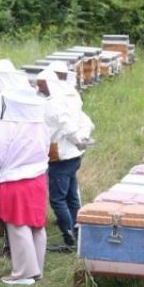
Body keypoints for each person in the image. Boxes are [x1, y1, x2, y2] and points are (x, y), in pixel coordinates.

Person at [0, 89, 51, 285]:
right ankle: (36, 269)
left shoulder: (7, 127)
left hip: (14, 181)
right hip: (38, 180)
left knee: (18, 224)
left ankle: (24, 273)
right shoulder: (40, 125)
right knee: (36, 224)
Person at [36, 68, 95, 252]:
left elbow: (67, 127)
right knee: (70, 196)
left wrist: (78, 140)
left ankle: (69, 239)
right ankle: (77, 232)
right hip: (72, 157)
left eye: (42, 85)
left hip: (61, 158)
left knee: (58, 199)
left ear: (50, 84)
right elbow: (86, 122)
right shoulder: (65, 99)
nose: (39, 88)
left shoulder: (54, 103)